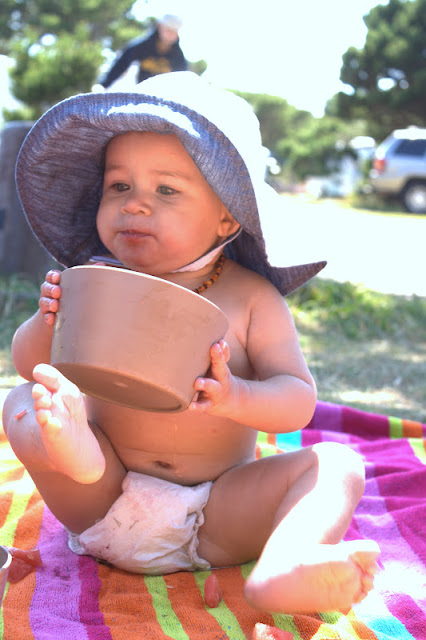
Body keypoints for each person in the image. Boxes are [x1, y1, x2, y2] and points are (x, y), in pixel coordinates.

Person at [3, 72, 380, 615]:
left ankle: (286, 563)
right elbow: (29, 363)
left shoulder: (251, 300)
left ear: (227, 215)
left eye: (166, 190)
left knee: (338, 464)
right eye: (119, 186)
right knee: (23, 400)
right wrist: (47, 323)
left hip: (218, 515)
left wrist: (236, 397)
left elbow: (297, 399)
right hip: (101, 497)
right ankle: (77, 455)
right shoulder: (95, 282)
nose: (134, 205)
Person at [98, 14, 187, 90]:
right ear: (159, 27)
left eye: (175, 31)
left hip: (165, 96)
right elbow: (120, 65)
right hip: (143, 93)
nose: (171, 35)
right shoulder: (142, 46)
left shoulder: (178, 56)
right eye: (169, 30)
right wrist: (103, 85)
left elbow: (182, 80)